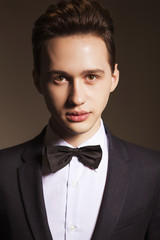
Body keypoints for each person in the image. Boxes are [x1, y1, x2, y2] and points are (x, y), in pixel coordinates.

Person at [0, 0, 160, 239]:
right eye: (60, 78)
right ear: (37, 80)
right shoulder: (2, 171)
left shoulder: (153, 172)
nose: (76, 98)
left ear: (114, 78)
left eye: (92, 76)